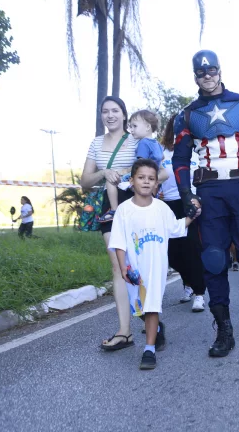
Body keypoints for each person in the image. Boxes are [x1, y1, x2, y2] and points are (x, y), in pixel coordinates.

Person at [172, 50, 239, 358]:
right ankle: (224, 330)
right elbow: (180, 160)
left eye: (212, 70)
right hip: (209, 190)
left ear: (220, 71)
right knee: (214, 259)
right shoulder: (188, 115)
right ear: (195, 77)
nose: (207, 76)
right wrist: (186, 193)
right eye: (201, 73)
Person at [109, 159, 198, 369]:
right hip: (134, 269)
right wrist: (123, 266)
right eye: (141, 178)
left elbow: (176, 228)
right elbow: (119, 241)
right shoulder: (124, 210)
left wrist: (193, 215)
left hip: (156, 267)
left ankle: (148, 350)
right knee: (138, 308)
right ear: (132, 181)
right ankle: (157, 330)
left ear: (157, 184)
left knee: (152, 306)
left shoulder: (161, 208)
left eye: (151, 179)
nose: (146, 182)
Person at [81, 96, 142, 351]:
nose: (110, 115)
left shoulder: (137, 140)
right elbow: (85, 181)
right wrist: (103, 172)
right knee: (118, 266)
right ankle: (124, 332)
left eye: (115, 110)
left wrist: (127, 171)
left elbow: (152, 169)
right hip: (109, 206)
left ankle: (153, 322)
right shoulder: (96, 143)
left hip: (137, 200)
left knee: (140, 263)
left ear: (124, 114)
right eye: (105, 111)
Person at [161, 114, 206, 312]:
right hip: (168, 204)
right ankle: (187, 283)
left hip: (192, 203)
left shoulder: (199, 151)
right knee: (172, 253)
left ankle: (199, 294)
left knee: (192, 249)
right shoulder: (161, 153)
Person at [99, 110, 163, 223]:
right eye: (130, 126)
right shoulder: (157, 144)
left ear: (148, 127)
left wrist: (125, 174)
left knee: (110, 180)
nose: (131, 130)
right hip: (153, 177)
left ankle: (114, 210)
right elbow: (160, 161)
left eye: (134, 126)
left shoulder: (143, 143)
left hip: (140, 176)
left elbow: (140, 165)